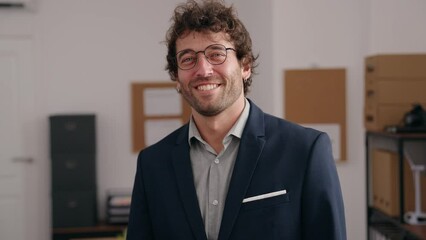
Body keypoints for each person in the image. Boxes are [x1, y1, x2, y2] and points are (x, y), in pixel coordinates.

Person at [127, 0, 346, 239]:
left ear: (245, 66)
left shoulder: (305, 151)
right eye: (188, 59)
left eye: (217, 54)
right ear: (177, 77)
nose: (203, 70)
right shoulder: (152, 165)